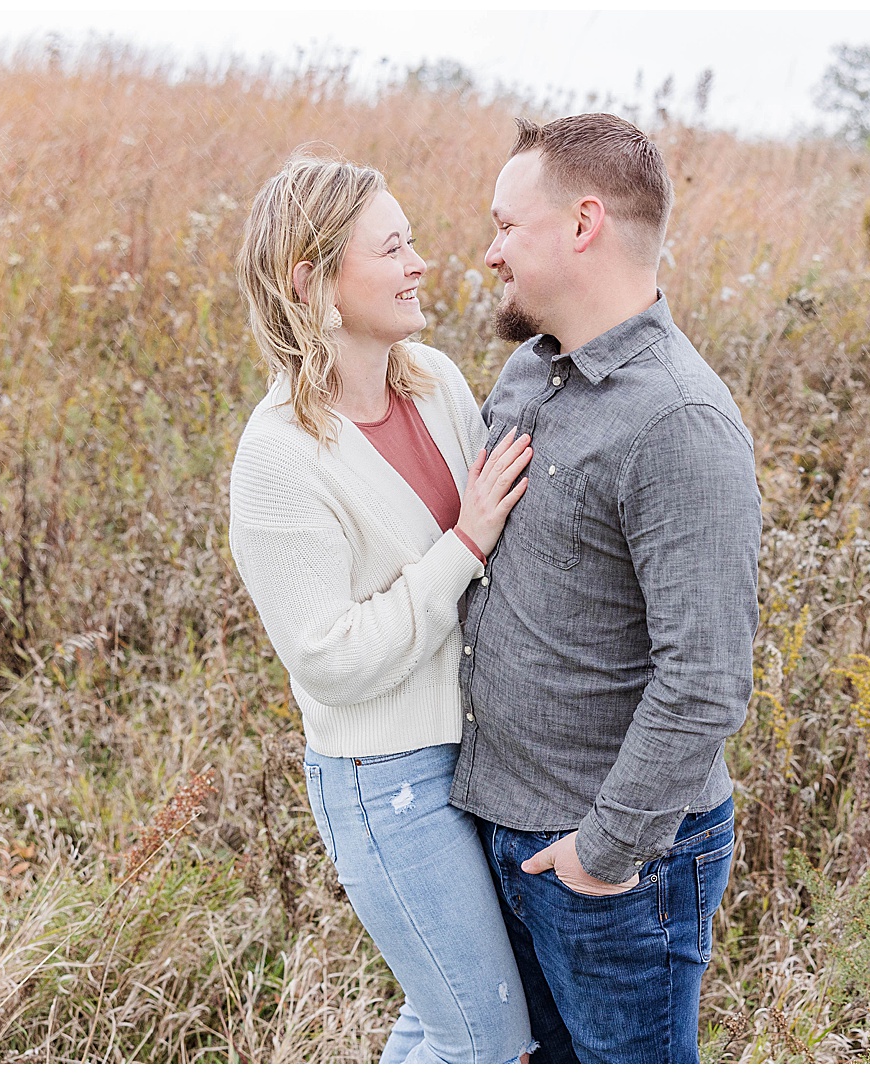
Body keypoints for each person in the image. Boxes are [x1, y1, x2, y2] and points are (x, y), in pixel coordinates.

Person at [451, 113, 763, 1063]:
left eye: (508, 225)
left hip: (612, 860)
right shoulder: (525, 372)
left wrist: (601, 854)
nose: (492, 251)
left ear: (583, 224)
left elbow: (705, 680)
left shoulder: (680, 422)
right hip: (499, 827)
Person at [229, 151, 536, 1064]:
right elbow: (328, 657)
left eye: (412, 244)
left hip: (479, 756)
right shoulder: (278, 457)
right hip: (386, 784)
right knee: (484, 1043)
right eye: (392, 248)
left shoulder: (435, 379)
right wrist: (462, 547)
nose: (419, 264)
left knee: (443, 1020)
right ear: (311, 279)